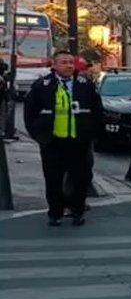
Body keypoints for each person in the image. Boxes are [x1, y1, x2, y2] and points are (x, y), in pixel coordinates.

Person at [23, 50, 103, 226]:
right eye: (64, 62)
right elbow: (30, 114)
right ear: (54, 65)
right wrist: (40, 137)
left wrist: (90, 134)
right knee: (53, 180)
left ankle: (77, 212)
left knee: (79, 179)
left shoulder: (85, 85)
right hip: (53, 142)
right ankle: (55, 213)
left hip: (78, 142)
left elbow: (97, 111)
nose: (68, 65)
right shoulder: (42, 85)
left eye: (70, 62)